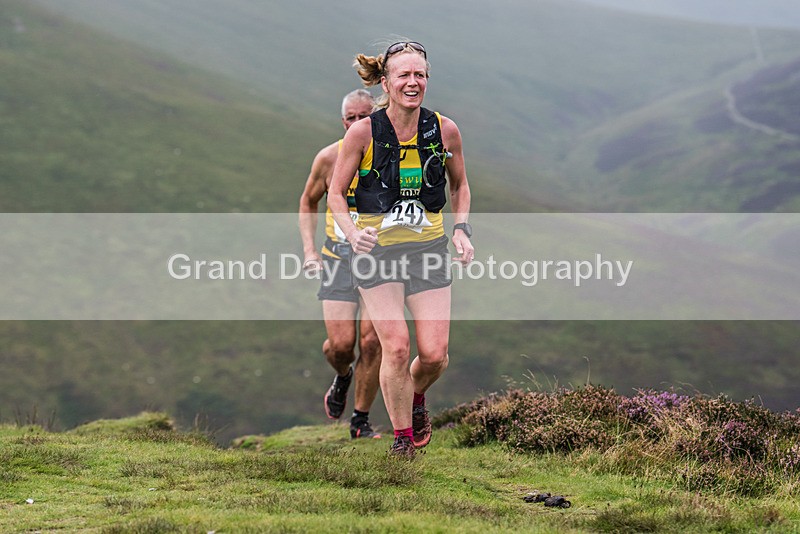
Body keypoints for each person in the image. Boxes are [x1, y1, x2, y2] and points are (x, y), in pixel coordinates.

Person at [328, 41, 474, 458]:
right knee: (394, 346)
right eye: (404, 76)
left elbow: (460, 185)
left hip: (427, 250)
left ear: (427, 79)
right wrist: (353, 234)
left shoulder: (444, 130)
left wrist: (461, 229)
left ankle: (415, 397)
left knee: (434, 355)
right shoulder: (363, 132)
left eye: (420, 75)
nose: (413, 83)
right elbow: (336, 193)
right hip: (375, 255)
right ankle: (403, 440)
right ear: (387, 83)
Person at [298, 89, 383, 439]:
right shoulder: (329, 158)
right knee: (341, 346)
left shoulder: (388, 156)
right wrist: (309, 251)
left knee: (372, 342)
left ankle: (360, 420)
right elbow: (307, 202)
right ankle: (343, 376)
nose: (358, 123)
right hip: (337, 258)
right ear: (343, 121)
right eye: (352, 117)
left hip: (381, 260)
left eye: (366, 116)